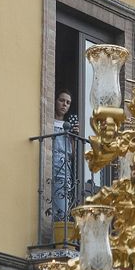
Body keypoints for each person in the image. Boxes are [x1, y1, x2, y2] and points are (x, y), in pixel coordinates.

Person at [50, 91, 80, 228]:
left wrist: (74, 137)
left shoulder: (68, 125)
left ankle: (59, 232)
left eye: (68, 103)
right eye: (62, 100)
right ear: (55, 100)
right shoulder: (48, 122)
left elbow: (73, 154)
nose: (64, 105)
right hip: (49, 164)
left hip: (63, 170)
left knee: (62, 210)